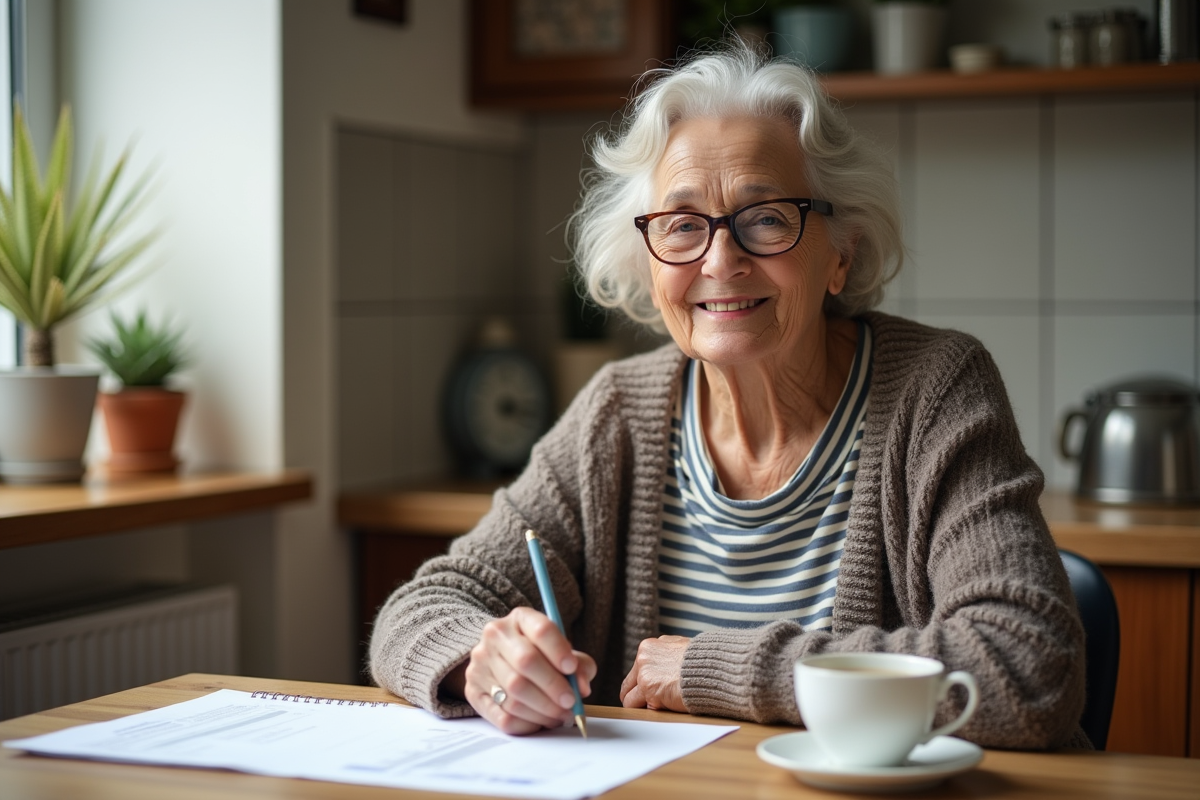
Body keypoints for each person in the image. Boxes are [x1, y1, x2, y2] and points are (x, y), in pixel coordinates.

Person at [369, 45, 1087, 749]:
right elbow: (420, 609)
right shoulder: (618, 413)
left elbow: (1027, 666)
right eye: (682, 226)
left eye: (766, 218)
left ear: (840, 253)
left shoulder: (934, 390)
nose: (719, 260)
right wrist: (482, 661)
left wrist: (722, 668)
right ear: (648, 262)